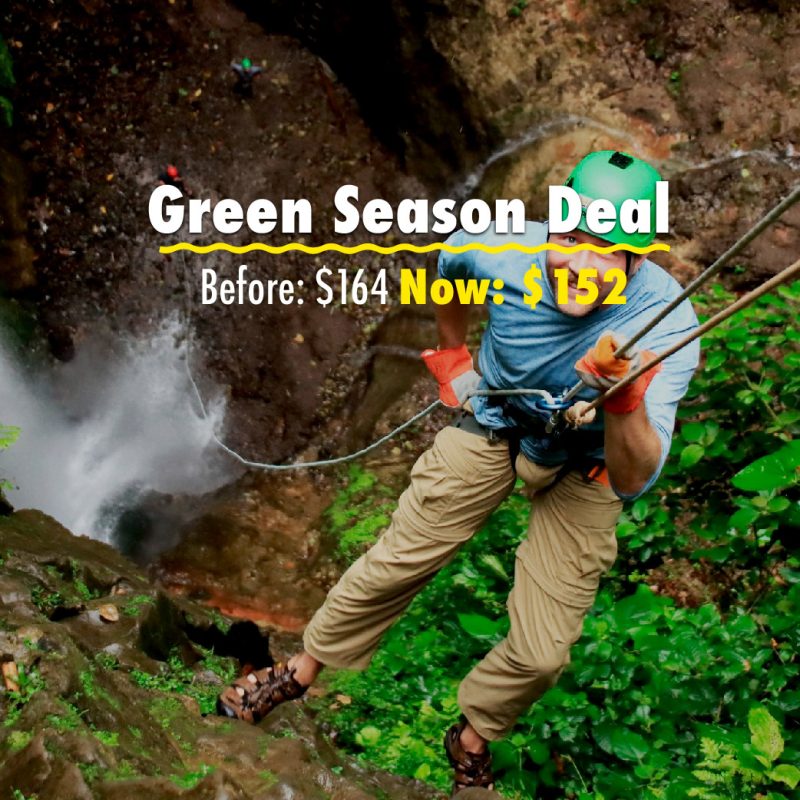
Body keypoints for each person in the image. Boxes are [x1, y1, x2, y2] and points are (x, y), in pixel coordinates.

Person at [216, 151, 700, 797]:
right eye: (571, 241)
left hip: (588, 463)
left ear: (636, 261)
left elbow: (636, 476)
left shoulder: (668, 328)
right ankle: (301, 670)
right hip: (499, 420)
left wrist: (624, 401)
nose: (582, 267)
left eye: (608, 253)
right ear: (552, 230)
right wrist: (452, 355)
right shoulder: (498, 248)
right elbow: (448, 266)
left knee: (542, 654)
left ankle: (471, 738)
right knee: (398, 559)